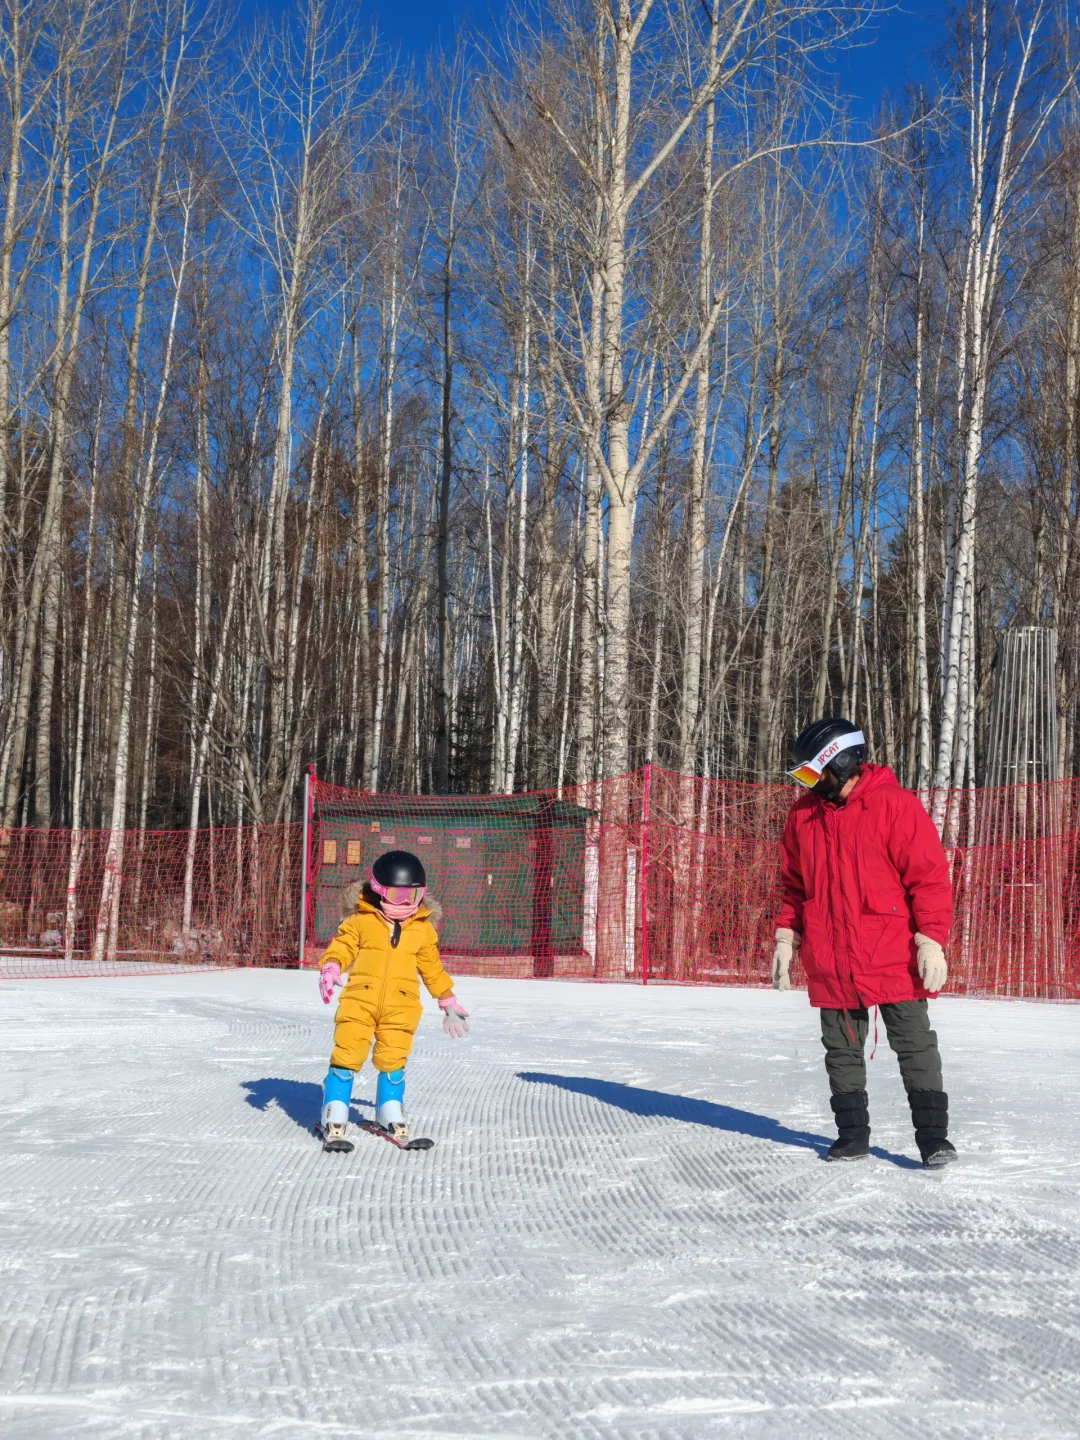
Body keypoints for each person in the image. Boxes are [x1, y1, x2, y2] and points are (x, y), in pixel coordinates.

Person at [772, 718, 957, 1168]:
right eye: (805, 777)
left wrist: (931, 939)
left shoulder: (895, 806)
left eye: (816, 774)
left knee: (915, 1045)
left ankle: (933, 1140)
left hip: (891, 953)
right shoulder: (802, 817)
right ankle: (852, 1136)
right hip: (831, 954)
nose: (811, 785)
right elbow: (794, 886)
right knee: (840, 1049)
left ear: (842, 760)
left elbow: (929, 879)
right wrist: (786, 935)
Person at [317, 849, 470, 1150]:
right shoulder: (361, 920)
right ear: (378, 890)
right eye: (396, 895)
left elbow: (432, 968)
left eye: (411, 897)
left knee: (393, 1059)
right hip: (359, 1001)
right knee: (347, 1054)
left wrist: (447, 1001)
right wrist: (331, 966)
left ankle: (389, 1111)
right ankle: (334, 1112)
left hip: (401, 1006)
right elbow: (343, 945)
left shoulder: (423, 930)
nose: (404, 904)